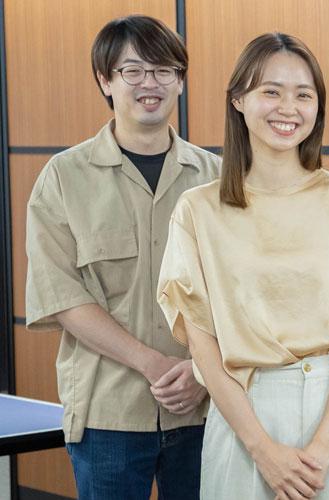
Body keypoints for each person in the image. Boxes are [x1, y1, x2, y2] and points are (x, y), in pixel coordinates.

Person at [156, 33, 329, 499]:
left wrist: (325, 445)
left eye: (303, 95)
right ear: (238, 99)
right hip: (243, 416)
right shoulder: (198, 210)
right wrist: (262, 449)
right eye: (271, 91)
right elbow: (203, 344)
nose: (288, 108)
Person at [24, 15, 219, 499]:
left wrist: (202, 372)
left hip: (205, 407)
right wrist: (153, 364)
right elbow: (62, 296)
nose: (150, 83)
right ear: (105, 80)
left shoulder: (216, 177)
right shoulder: (63, 177)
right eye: (133, 71)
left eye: (164, 70)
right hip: (107, 414)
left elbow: (239, 291)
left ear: (180, 81)